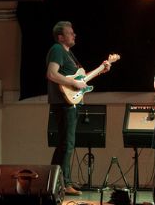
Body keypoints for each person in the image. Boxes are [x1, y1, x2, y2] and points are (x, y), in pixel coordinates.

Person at [46, 21, 110, 195]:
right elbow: (51, 73)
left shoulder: (69, 54)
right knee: (67, 144)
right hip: (64, 103)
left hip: (69, 103)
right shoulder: (57, 49)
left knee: (64, 144)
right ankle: (64, 183)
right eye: (70, 33)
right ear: (61, 37)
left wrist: (101, 69)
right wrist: (74, 83)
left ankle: (56, 181)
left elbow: (81, 79)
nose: (74, 35)